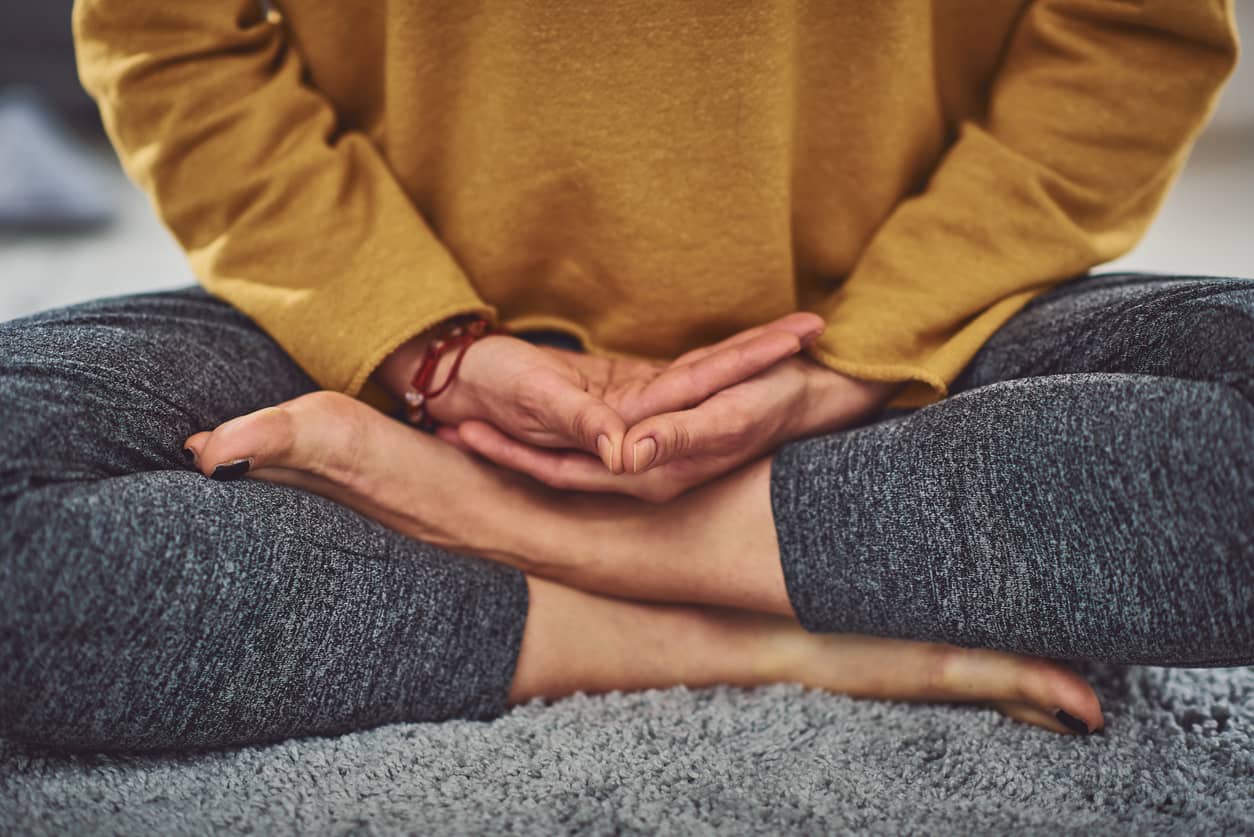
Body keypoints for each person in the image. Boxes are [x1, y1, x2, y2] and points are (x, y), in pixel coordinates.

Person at [1, 1, 1249, 752]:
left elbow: (1128, 35)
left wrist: (870, 353)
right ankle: (762, 630)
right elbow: (168, 32)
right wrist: (416, 341)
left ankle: (524, 533)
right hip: (389, 341)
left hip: (908, 347)